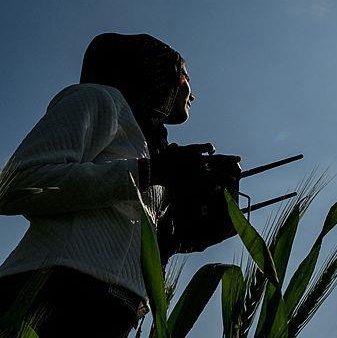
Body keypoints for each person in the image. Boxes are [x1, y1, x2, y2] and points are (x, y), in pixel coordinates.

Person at [0, 33, 239, 337]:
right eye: (184, 75)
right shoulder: (100, 99)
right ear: (157, 71)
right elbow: (18, 185)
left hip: (116, 311)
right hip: (53, 288)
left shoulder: (149, 148)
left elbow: (125, 231)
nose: (192, 92)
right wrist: (148, 172)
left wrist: (203, 222)